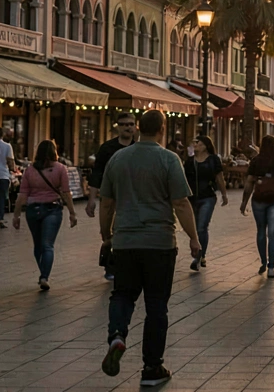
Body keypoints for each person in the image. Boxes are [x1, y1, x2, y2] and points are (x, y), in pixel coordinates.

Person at [99, 110, 200, 387]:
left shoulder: (118, 159)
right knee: (156, 305)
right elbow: (180, 203)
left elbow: (106, 203)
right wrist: (194, 238)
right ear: (162, 129)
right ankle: (151, 368)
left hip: (125, 241)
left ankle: (117, 335)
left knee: (122, 294)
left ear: (138, 128)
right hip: (159, 243)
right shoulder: (169, 159)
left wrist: (106, 235)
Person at [12, 139, 78, 290]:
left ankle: (43, 273)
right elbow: (66, 193)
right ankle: (44, 276)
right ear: (54, 152)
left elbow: (22, 195)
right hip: (53, 209)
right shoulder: (61, 169)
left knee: (38, 245)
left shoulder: (29, 170)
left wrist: (16, 216)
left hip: (32, 210)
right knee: (48, 245)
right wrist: (72, 213)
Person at [86, 112, 139, 280]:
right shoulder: (107, 148)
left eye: (131, 124)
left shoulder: (139, 148)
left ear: (135, 127)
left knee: (121, 230)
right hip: (109, 196)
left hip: (130, 198)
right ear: (118, 126)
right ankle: (107, 248)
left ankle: (115, 266)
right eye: (124, 124)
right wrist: (91, 200)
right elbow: (97, 173)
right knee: (106, 232)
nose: (128, 127)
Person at [240, 135, 274, 278]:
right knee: (273, 233)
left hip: (259, 199)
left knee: (261, 231)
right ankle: (272, 266)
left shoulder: (257, 161)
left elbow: (249, 182)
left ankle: (263, 261)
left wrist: (244, 202)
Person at [184, 134, 228, 272]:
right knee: (195, 227)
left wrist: (224, 194)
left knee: (202, 226)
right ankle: (200, 255)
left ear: (205, 146)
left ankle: (198, 257)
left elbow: (219, 178)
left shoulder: (213, 160)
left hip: (208, 197)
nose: (195, 145)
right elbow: (184, 179)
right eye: (194, 142)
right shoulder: (190, 161)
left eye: (198, 143)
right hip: (192, 198)